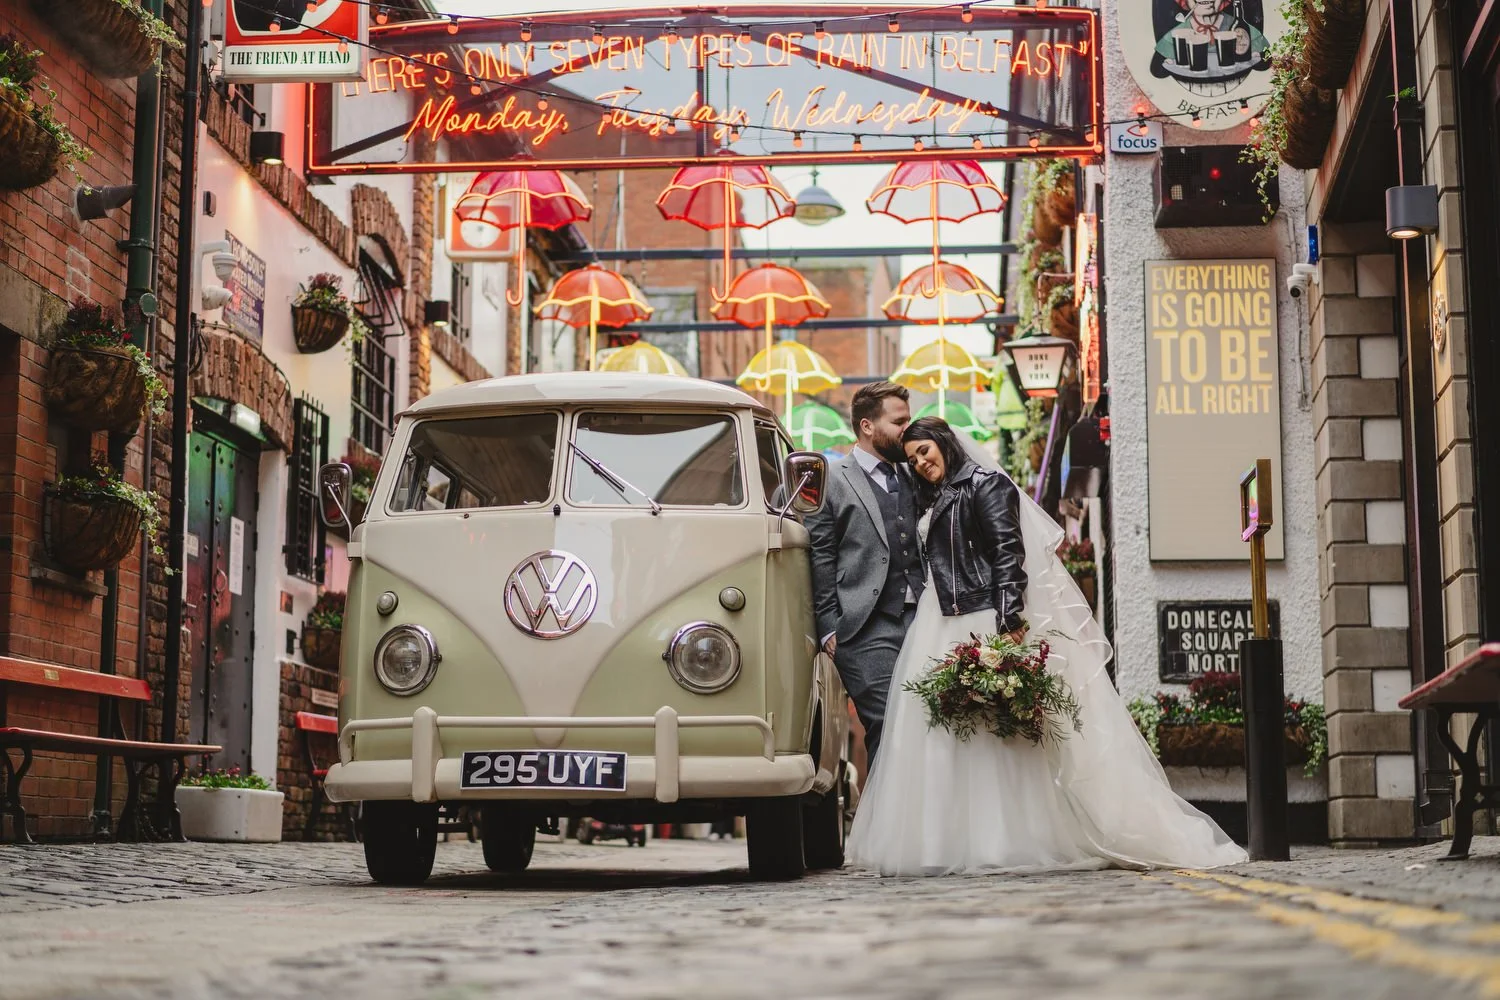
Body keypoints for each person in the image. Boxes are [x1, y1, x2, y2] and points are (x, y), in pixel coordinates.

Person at [847, 417, 1247, 876]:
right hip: (938, 621)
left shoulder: (986, 485)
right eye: (913, 457)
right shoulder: (931, 496)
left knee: (995, 731)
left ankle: (1005, 838)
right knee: (941, 734)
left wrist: (1009, 620)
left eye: (925, 451)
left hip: (982, 616)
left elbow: (1007, 553)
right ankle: (944, 841)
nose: (920, 462)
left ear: (944, 444)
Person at [806, 382, 924, 768]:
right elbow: (821, 554)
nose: (907, 429)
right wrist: (829, 628)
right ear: (868, 426)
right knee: (889, 724)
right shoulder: (833, 478)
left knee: (928, 725)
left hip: (925, 621)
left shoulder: (916, 473)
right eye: (899, 422)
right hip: (863, 627)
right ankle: (886, 808)